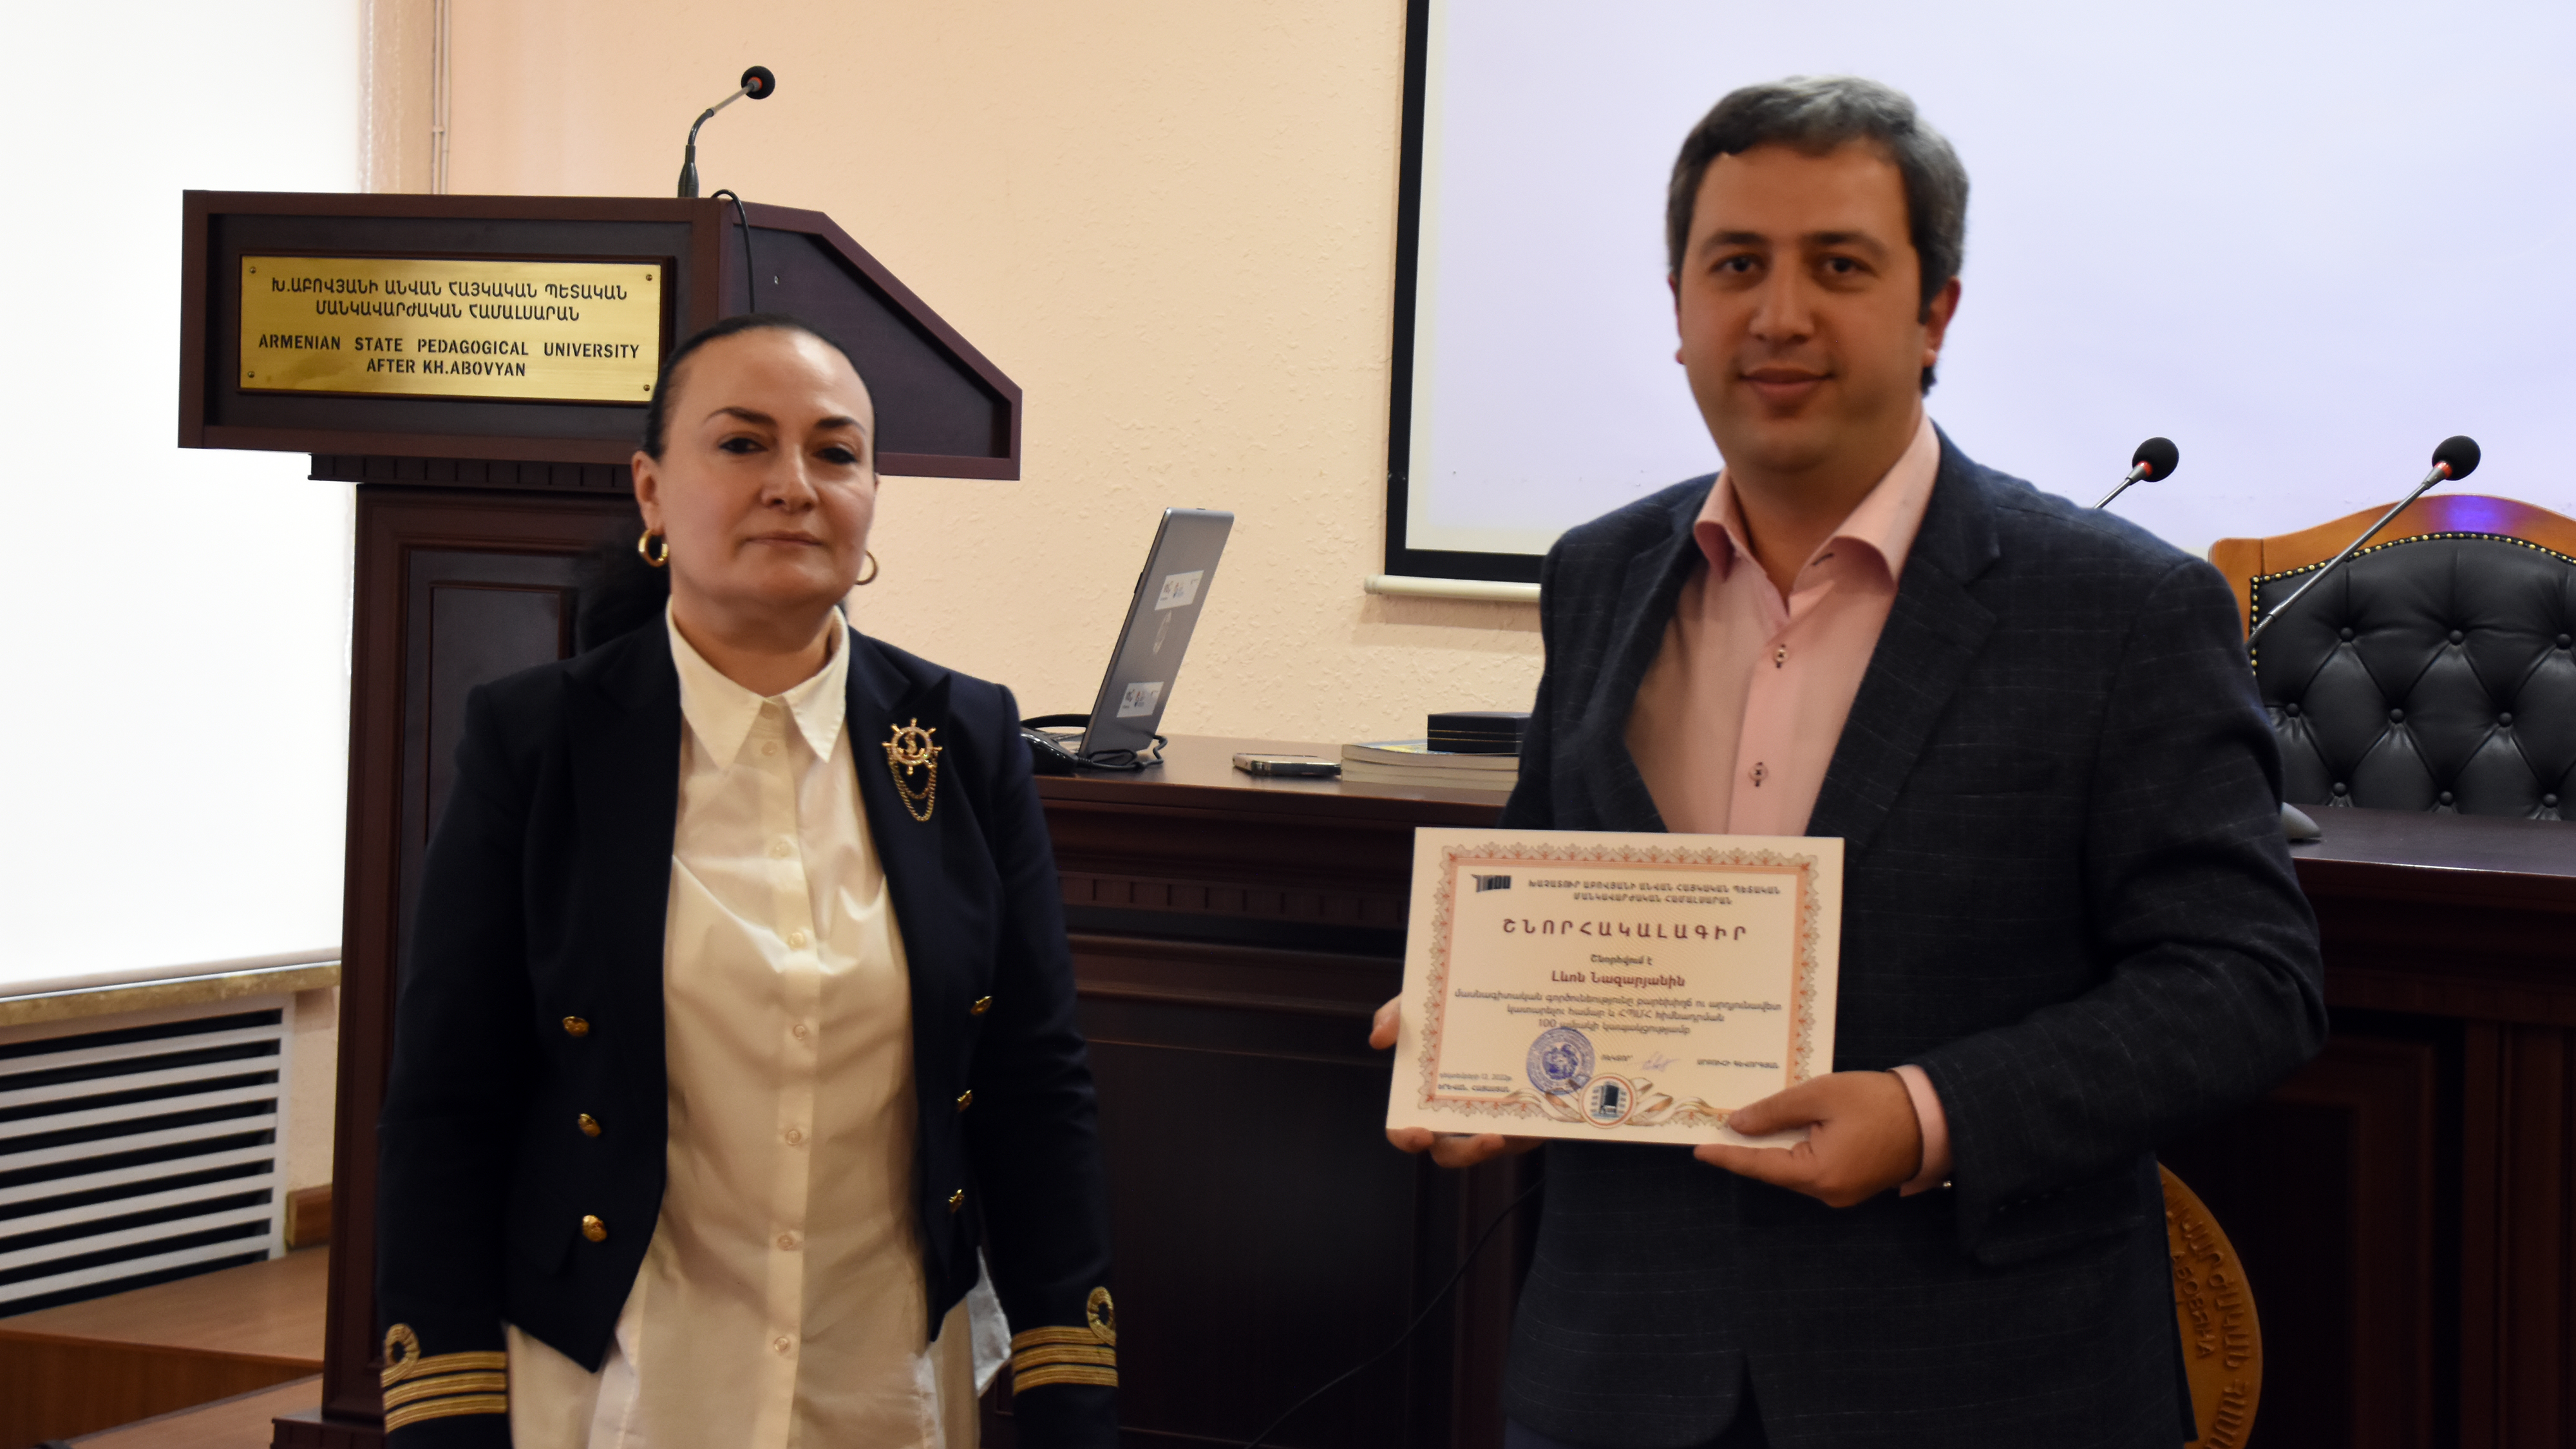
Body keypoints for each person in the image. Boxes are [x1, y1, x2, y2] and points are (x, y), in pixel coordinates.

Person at [1372, 78, 2324, 1448]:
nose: (1777, 315)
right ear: (1678, 306)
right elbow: (1545, 878)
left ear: (1934, 313)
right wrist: (1479, 1038)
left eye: (1837, 266)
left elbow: (2245, 982)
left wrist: (1928, 1114)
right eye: (1734, 266)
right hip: (1615, 1373)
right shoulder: (1596, 574)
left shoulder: (2120, 608)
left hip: (1983, 1385)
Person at [375, 314, 1118, 1447]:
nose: (793, 485)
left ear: (872, 495)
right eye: (742, 444)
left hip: (884, 1382)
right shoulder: (537, 742)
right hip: (622, 1384)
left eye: (836, 452)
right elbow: (448, 1096)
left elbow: (1035, 1082)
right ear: (651, 490)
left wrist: (1073, 1390)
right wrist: (443, 1406)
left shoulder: (964, 738)